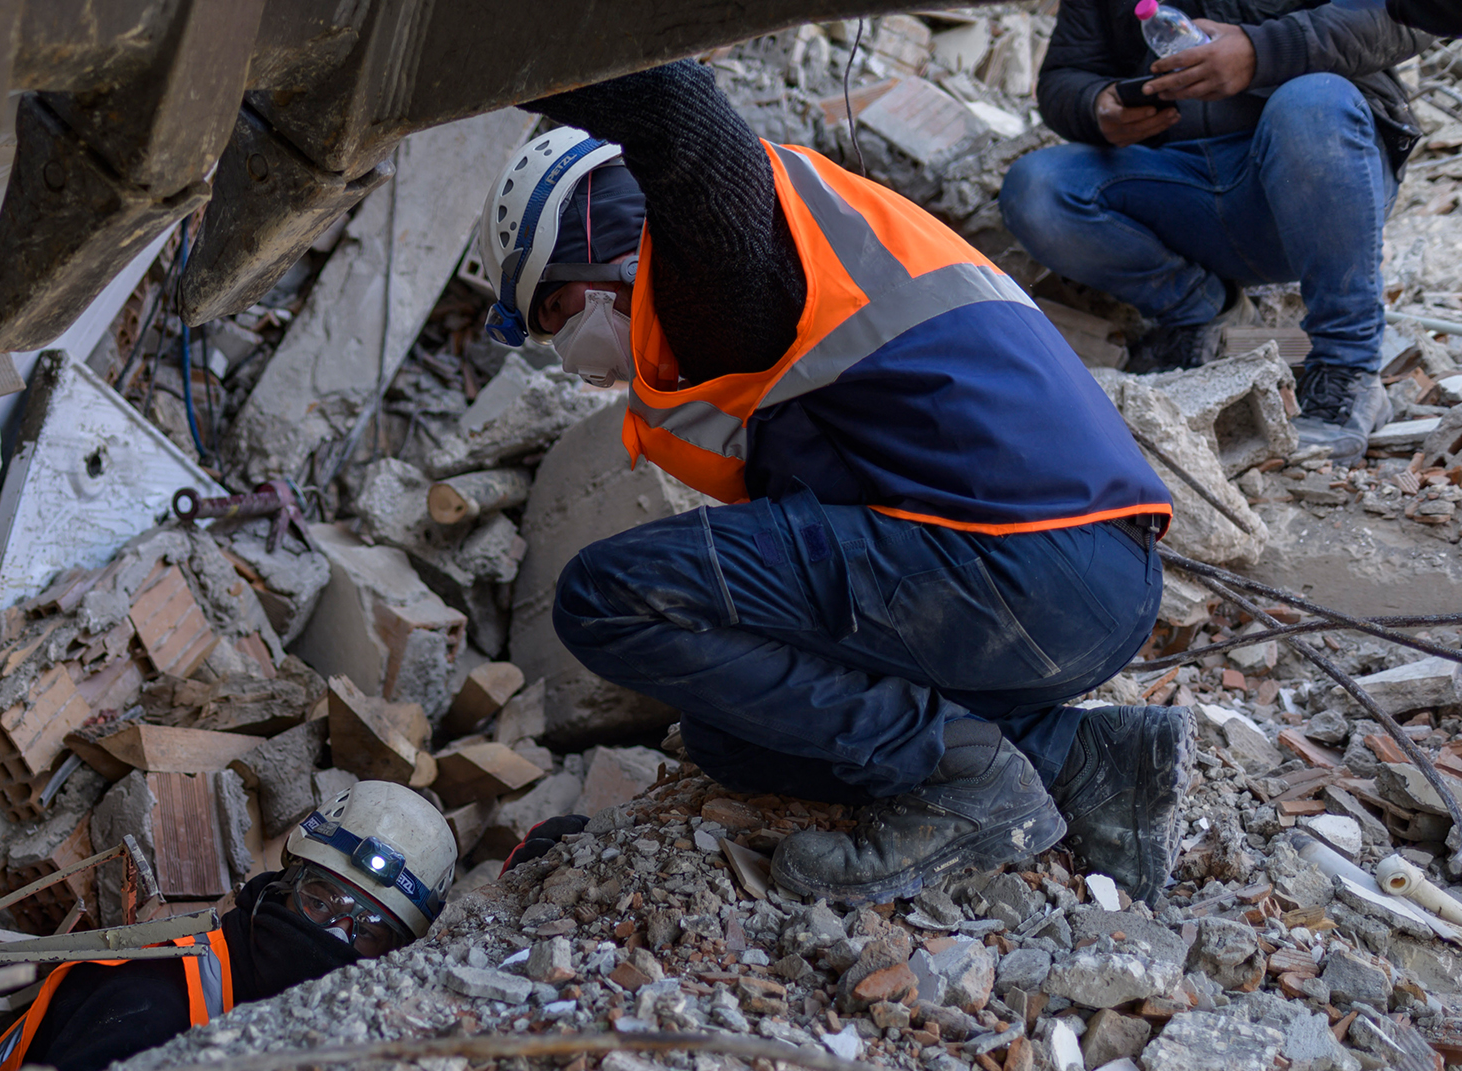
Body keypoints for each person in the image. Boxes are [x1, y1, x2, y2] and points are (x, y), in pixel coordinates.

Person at [477, 61, 1196, 906]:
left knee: (607, 596)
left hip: (1031, 567)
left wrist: (472, 65)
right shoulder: (767, 299)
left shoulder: (714, 266)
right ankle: (1088, 759)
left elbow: (675, 108)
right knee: (733, 734)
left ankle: (958, 778)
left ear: (596, 234)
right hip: (1066, 579)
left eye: (556, 312)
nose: (567, 350)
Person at [999, 0, 1427, 461]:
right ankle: (1203, 314)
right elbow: (1066, 75)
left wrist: (1260, 52)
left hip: (1316, 178)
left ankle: (1348, 370)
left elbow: (1410, 16)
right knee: (1038, 188)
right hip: (1175, 182)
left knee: (1312, 103)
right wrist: (1096, 105)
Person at [0, 781, 455, 1071]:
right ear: (287, 884)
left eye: (369, 930)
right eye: (321, 901)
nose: (335, 934)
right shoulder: (151, 1000)